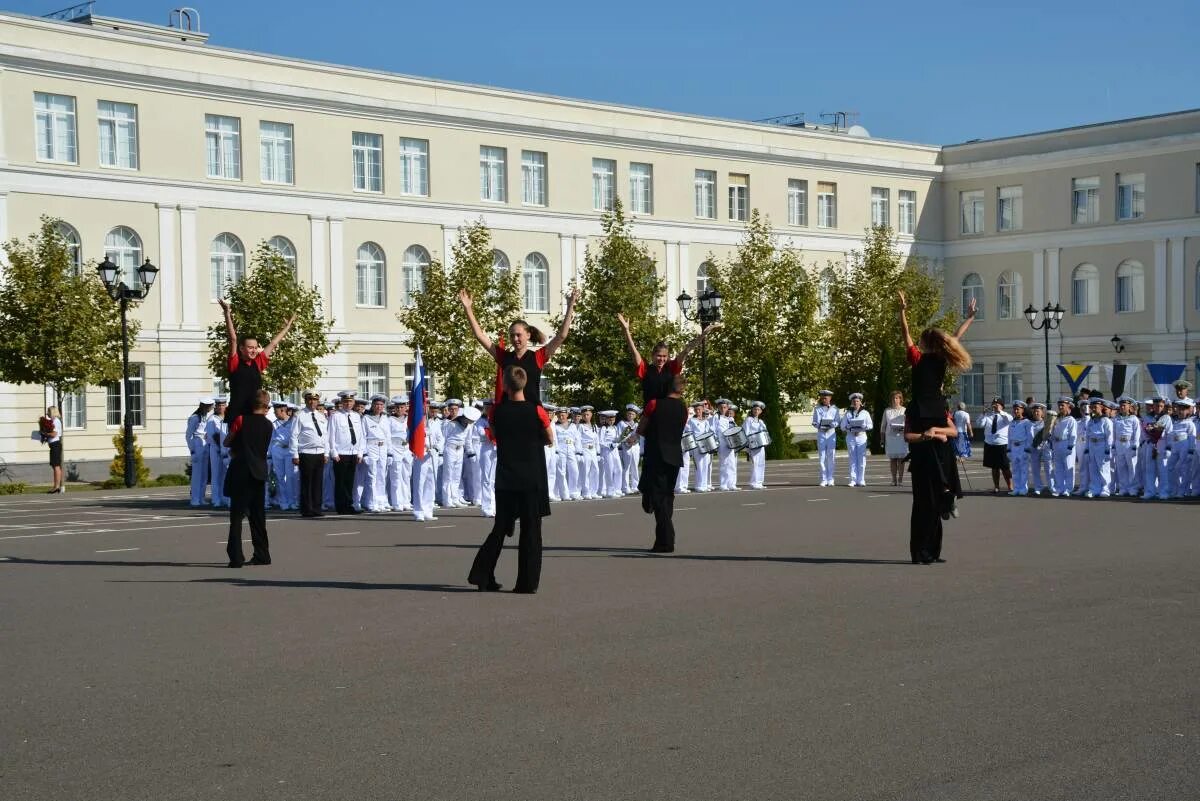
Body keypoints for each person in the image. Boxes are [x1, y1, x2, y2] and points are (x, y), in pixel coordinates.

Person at [468, 366, 553, 594]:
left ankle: (482, 573)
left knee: (500, 528)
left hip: (506, 476)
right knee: (531, 530)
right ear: (525, 384)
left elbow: (494, 435)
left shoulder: (496, 411)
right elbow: (549, 438)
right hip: (531, 476)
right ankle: (526, 582)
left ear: (504, 385)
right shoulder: (537, 410)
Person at [460, 287, 579, 406]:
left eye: (518, 335)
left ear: (528, 335)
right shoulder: (504, 357)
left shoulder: (538, 357)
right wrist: (468, 308)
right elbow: (480, 336)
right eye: (512, 336)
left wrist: (570, 306)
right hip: (510, 413)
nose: (515, 339)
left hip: (531, 413)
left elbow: (561, 336)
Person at [217, 297, 295, 424]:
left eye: (255, 347)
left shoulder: (257, 363)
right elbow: (233, 339)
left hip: (254, 416)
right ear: (241, 349)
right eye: (249, 347)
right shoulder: (235, 363)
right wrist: (227, 313)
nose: (253, 351)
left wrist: (287, 327)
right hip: (237, 416)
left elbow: (273, 343)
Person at [616, 313, 721, 404]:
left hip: (668, 409)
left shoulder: (671, 368)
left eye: (664, 356)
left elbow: (686, 350)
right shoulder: (646, 369)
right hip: (651, 411)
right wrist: (626, 330)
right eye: (659, 356)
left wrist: (703, 335)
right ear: (652, 355)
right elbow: (634, 351)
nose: (661, 359)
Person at [637, 373, 688, 552]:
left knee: (658, 498)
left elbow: (641, 429)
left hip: (656, 455)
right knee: (667, 497)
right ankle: (661, 541)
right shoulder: (684, 407)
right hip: (674, 456)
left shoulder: (654, 404)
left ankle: (667, 540)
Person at [224, 390, 275, 568]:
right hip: (259, 471)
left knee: (237, 516)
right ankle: (262, 554)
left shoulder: (241, 420)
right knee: (258, 516)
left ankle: (236, 557)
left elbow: (227, 441)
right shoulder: (269, 425)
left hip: (242, 470)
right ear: (266, 406)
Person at [903, 402, 959, 565]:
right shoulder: (913, 411)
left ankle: (933, 551)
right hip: (923, 464)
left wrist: (935, 430)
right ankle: (920, 552)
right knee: (924, 507)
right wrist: (928, 435)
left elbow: (953, 431)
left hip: (941, 463)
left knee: (936, 508)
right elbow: (908, 436)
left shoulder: (941, 410)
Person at [290, 391, 329, 517]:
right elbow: (294, 435)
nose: (312, 402)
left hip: (320, 452)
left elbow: (326, 436)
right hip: (306, 453)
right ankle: (307, 509)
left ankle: (317, 508)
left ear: (318, 401)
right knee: (307, 482)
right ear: (306, 401)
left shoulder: (322, 416)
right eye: (309, 400)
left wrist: (326, 453)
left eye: (315, 400)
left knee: (318, 482)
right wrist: (295, 454)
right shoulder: (299, 415)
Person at [328, 390, 364, 515]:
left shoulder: (356, 416)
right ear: (342, 402)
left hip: (353, 452)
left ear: (353, 402)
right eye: (346, 401)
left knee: (350, 481)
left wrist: (360, 452)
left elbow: (360, 436)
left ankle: (349, 505)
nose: (348, 404)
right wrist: (333, 452)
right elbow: (331, 435)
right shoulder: (335, 416)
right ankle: (341, 506)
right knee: (340, 481)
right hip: (341, 453)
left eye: (350, 401)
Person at [978, 397, 1013, 494]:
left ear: (1002, 406)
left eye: (997, 404)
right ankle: (996, 486)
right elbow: (980, 424)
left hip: (1002, 444)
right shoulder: (988, 416)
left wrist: (1000, 412)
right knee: (994, 467)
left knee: (1005, 467)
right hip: (990, 444)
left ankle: (1010, 486)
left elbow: (1010, 420)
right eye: (994, 404)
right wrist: (983, 413)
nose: (995, 406)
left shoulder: (1005, 416)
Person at [186, 398, 213, 506]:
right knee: (197, 474)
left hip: (205, 443)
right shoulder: (195, 418)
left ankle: (201, 497)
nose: (211, 407)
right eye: (210, 405)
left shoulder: (206, 417)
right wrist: (192, 450)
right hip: (197, 443)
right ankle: (195, 498)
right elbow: (188, 435)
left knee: (204, 474)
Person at [840, 393, 872, 487]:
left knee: (861, 459)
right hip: (851, 437)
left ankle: (861, 479)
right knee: (852, 459)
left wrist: (864, 426)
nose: (855, 403)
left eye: (857, 401)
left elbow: (870, 425)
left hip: (861, 436)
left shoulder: (865, 413)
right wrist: (848, 426)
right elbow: (842, 427)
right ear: (851, 403)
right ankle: (853, 480)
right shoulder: (848, 413)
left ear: (860, 402)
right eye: (854, 401)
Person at [1050, 397, 1078, 497]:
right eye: (1059, 405)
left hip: (1066, 444)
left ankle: (1068, 488)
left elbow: (1073, 435)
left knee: (1068, 467)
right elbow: (1052, 432)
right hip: (1057, 444)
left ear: (1068, 407)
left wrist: (1070, 447)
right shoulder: (1056, 419)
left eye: (1063, 405)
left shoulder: (1071, 420)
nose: (1060, 407)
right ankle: (1059, 488)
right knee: (1058, 468)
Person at [812, 390, 839, 487]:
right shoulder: (817, 409)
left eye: (826, 398)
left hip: (831, 433)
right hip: (822, 434)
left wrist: (832, 425)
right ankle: (823, 479)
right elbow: (814, 422)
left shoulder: (835, 409)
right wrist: (819, 426)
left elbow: (837, 421)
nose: (824, 399)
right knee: (822, 457)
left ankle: (830, 478)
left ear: (830, 398)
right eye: (823, 398)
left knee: (831, 456)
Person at [206, 399, 230, 508]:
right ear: (216, 407)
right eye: (219, 405)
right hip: (216, 449)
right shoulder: (212, 419)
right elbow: (214, 436)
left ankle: (224, 497)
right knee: (216, 475)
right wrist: (221, 447)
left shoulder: (227, 418)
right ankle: (216, 499)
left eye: (223, 405)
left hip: (225, 450)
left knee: (225, 475)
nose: (221, 407)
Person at [882, 391, 908, 486]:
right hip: (890, 437)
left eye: (897, 398)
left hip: (901, 437)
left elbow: (908, 423)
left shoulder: (904, 410)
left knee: (901, 459)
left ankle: (900, 479)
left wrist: (904, 428)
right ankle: (893, 479)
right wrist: (882, 438)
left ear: (900, 399)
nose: (895, 400)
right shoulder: (887, 411)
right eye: (893, 398)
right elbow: (883, 425)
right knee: (893, 459)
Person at [1007, 401, 1032, 496]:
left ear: (1023, 410)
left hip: (1022, 447)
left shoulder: (1027, 422)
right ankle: (1016, 488)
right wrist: (1008, 449)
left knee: (1024, 469)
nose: (1016, 411)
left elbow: (1030, 437)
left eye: (1018, 409)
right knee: (1015, 469)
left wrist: (1027, 449)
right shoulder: (1012, 422)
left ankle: (1023, 488)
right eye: (1015, 409)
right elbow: (1009, 437)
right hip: (1014, 447)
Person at [742, 401, 768, 489]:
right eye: (755, 409)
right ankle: (754, 482)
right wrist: (747, 445)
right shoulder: (749, 420)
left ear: (761, 411)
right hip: (753, 445)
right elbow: (745, 432)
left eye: (758, 409)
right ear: (752, 410)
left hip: (761, 445)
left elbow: (765, 432)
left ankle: (760, 482)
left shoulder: (761, 421)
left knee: (761, 463)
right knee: (755, 463)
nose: (756, 411)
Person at [39, 406, 65, 494]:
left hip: (56, 445)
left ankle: (57, 486)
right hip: (53, 445)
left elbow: (54, 434)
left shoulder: (56, 421)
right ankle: (56, 486)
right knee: (54, 466)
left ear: (53, 412)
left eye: (48, 411)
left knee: (56, 466)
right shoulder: (53, 421)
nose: (47, 413)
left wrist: (45, 434)